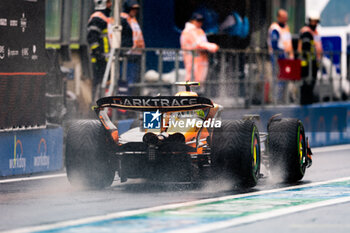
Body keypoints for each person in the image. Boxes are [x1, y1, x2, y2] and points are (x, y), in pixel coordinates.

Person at [180, 13, 219, 83]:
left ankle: (198, 91)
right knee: (192, 80)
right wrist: (213, 47)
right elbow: (198, 44)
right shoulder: (188, 31)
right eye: (198, 21)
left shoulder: (199, 30)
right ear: (192, 21)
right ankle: (190, 92)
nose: (200, 23)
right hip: (192, 59)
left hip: (200, 59)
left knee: (199, 81)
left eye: (201, 21)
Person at [87, 0, 113, 101]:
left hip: (105, 58)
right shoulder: (97, 17)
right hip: (99, 58)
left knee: (105, 82)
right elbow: (92, 37)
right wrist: (97, 52)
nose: (110, 4)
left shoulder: (106, 18)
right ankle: (95, 105)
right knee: (98, 82)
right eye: (108, 2)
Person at [267, 9, 294, 103]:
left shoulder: (286, 27)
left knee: (285, 78)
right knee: (278, 78)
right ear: (278, 17)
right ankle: (276, 100)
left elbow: (288, 42)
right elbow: (274, 44)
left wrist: (290, 54)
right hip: (277, 56)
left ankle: (284, 99)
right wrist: (282, 53)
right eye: (283, 17)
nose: (285, 19)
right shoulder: (275, 28)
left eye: (286, 17)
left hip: (286, 57)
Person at [120, 0, 145, 94]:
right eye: (133, 8)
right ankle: (123, 105)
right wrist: (125, 48)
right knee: (126, 81)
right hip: (127, 55)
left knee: (132, 81)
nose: (135, 11)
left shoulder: (132, 20)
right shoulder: (123, 19)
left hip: (134, 55)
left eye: (136, 9)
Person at [298, 11, 323, 105]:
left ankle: (309, 99)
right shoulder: (306, 31)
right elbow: (306, 46)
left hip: (314, 61)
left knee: (312, 81)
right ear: (309, 21)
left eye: (316, 21)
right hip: (306, 62)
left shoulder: (315, 32)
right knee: (306, 82)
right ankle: (305, 101)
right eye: (313, 21)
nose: (315, 23)